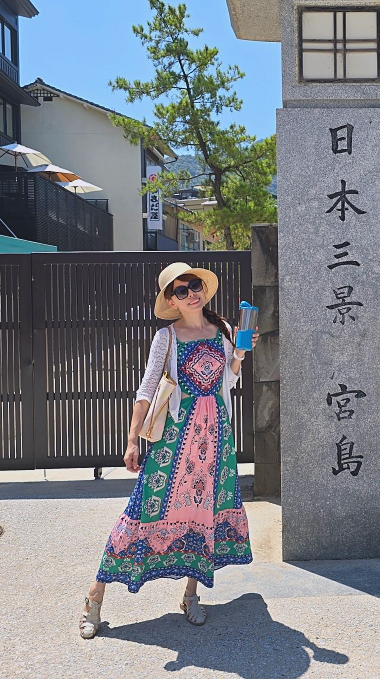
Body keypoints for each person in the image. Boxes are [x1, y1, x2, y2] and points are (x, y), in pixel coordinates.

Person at [79, 262, 256, 638]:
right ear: (171, 301)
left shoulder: (224, 328)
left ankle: (192, 594)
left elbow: (229, 379)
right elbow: (147, 389)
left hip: (216, 440)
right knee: (142, 510)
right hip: (175, 440)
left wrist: (240, 354)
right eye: (181, 290)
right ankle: (95, 596)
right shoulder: (168, 336)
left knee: (204, 514)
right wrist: (132, 439)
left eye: (195, 285)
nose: (192, 293)